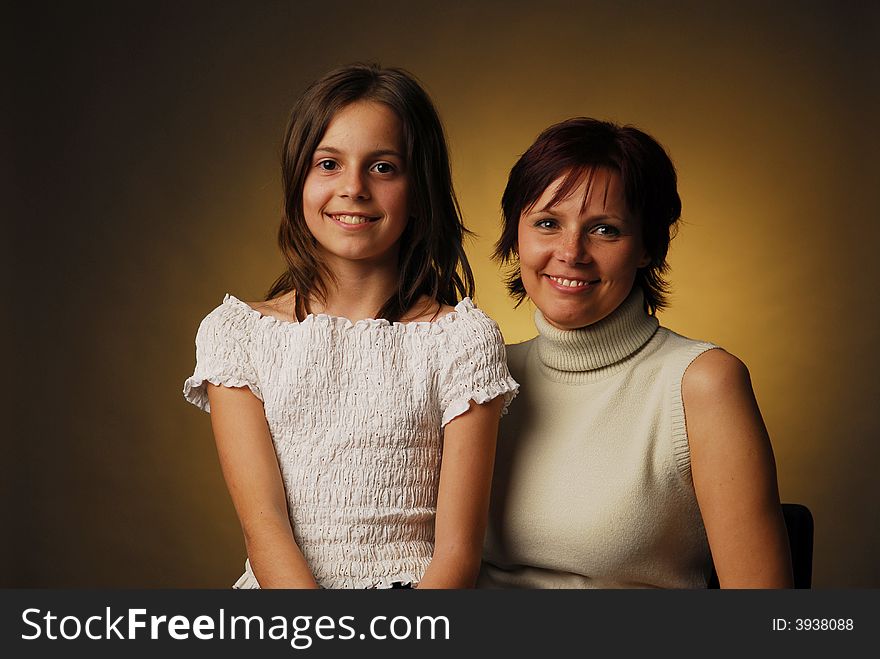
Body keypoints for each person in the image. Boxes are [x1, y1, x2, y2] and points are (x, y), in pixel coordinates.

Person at [183, 64, 518, 589]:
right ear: (299, 179)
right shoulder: (238, 335)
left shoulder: (462, 341)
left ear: (419, 188)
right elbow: (264, 530)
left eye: (383, 167)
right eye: (329, 164)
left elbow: (456, 554)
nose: (353, 188)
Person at [479, 118, 792, 588]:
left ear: (647, 247)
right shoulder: (482, 372)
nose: (571, 252)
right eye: (547, 223)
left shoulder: (700, 383)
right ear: (515, 235)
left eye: (604, 230)